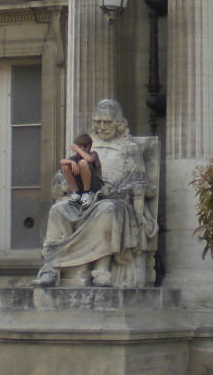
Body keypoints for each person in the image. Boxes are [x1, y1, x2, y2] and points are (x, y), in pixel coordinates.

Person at [34, 98, 158, 289]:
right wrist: (63, 180)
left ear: (117, 122)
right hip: (86, 196)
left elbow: (138, 182)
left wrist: (116, 191)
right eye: (98, 122)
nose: (101, 126)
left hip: (114, 200)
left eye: (106, 122)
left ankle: (102, 269)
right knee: (58, 210)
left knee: (107, 209)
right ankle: (52, 266)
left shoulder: (129, 148)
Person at [60, 132, 101, 205]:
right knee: (65, 166)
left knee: (82, 163)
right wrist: (72, 162)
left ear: (87, 147)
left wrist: (77, 149)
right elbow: (61, 161)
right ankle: (77, 193)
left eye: (80, 147)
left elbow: (89, 159)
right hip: (80, 186)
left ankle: (87, 193)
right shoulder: (75, 157)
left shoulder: (93, 154)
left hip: (94, 185)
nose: (77, 150)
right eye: (76, 147)